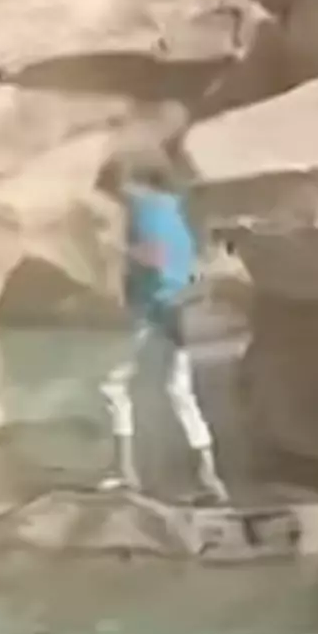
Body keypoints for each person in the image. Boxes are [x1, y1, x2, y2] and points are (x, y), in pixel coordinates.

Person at [95, 148, 228, 504]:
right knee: (178, 390)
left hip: (154, 307)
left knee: (113, 385)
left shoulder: (141, 209)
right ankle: (209, 477)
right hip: (179, 303)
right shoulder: (175, 204)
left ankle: (127, 473)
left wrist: (118, 250)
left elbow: (155, 260)